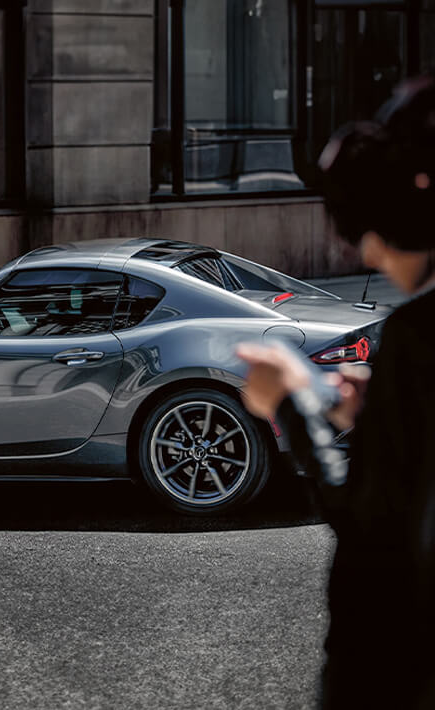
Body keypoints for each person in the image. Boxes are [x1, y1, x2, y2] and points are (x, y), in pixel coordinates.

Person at [237, 75, 435, 709]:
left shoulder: (419, 335)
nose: (369, 254)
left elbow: (370, 527)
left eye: (370, 229)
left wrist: (294, 401)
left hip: (397, 667)